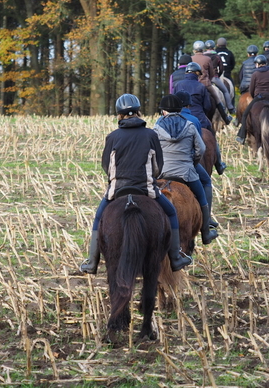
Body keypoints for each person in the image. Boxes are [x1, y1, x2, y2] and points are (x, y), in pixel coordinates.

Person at [80, 94, 192, 274]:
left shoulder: (112, 137)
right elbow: (158, 167)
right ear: (138, 112)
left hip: (118, 189)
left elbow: (106, 166)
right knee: (171, 212)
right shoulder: (150, 134)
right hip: (146, 188)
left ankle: (92, 261)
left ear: (119, 114)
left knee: (99, 218)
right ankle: (176, 257)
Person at [154, 95, 219, 244]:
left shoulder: (157, 127)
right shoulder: (189, 125)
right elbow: (201, 149)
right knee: (202, 194)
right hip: (186, 172)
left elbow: (152, 150)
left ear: (164, 111)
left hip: (162, 172)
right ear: (180, 109)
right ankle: (206, 232)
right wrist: (192, 162)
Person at [175, 90, 220, 226]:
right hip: (187, 163)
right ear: (189, 105)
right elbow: (200, 147)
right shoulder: (194, 120)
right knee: (206, 182)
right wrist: (194, 162)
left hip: (165, 164)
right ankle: (206, 222)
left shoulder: (162, 121)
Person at [174, 63, 227, 175]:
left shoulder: (178, 85)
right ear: (197, 74)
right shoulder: (201, 86)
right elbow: (207, 106)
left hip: (181, 118)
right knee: (211, 137)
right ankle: (219, 164)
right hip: (199, 119)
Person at [191, 41, 232, 124]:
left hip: (193, 83)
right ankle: (225, 118)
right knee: (217, 99)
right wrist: (208, 80)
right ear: (203, 49)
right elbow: (212, 73)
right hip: (205, 83)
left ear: (194, 50)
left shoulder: (191, 58)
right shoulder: (207, 59)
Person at [204, 40, 235, 114]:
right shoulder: (217, 56)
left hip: (204, 78)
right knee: (225, 91)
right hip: (214, 77)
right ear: (214, 47)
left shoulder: (203, 56)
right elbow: (221, 69)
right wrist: (218, 75)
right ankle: (230, 107)